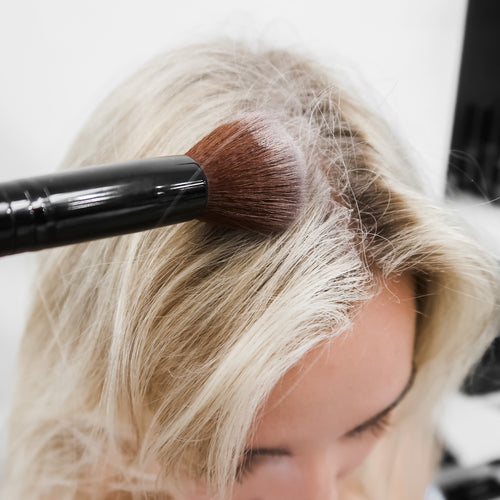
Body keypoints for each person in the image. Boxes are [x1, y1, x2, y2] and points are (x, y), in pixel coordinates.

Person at [1, 37, 498, 500]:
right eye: (242, 459)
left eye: (369, 424)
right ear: (106, 389)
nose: (323, 494)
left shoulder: (403, 457)